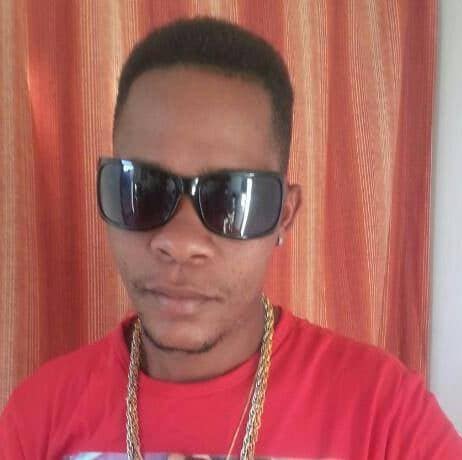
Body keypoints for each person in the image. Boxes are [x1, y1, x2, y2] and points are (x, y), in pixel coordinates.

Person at [0, 17, 461, 460]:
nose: (180, 242)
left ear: (283, 216)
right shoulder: (39, 417)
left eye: (229, 200)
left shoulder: (385, 416)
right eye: (143, 189)